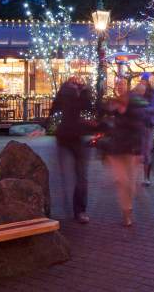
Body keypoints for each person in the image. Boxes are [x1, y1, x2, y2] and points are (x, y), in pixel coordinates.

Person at [48, 75, 95, 224]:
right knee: (80, 175)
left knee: (68, 174)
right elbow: (88, 107)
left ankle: (68, 207)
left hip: (65, 135)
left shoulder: (64, 91)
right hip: (74, 136)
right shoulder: (75, 93)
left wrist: (47, 124)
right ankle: (79, 210)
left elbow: (54, 109)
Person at [101, 78, 147, 227]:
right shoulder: (113, 104)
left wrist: (140, 150)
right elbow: (105, 121)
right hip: (116, 148)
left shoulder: (133, 104)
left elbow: (140, 128)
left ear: (126, 87)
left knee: (131, 183)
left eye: (121, 84)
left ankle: (129, 207)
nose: (119, 87)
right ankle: (126, 213)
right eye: (117, 85)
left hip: (131, 148)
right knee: (122, 181)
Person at [137, 73, 154, 185]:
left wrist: (142, 108)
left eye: (144, 81)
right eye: (141, 81)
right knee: (141, 150)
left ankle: (146, 178)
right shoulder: (139, 92)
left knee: (147, 150)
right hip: (140, 123)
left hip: (149, 123)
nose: (142, 83)